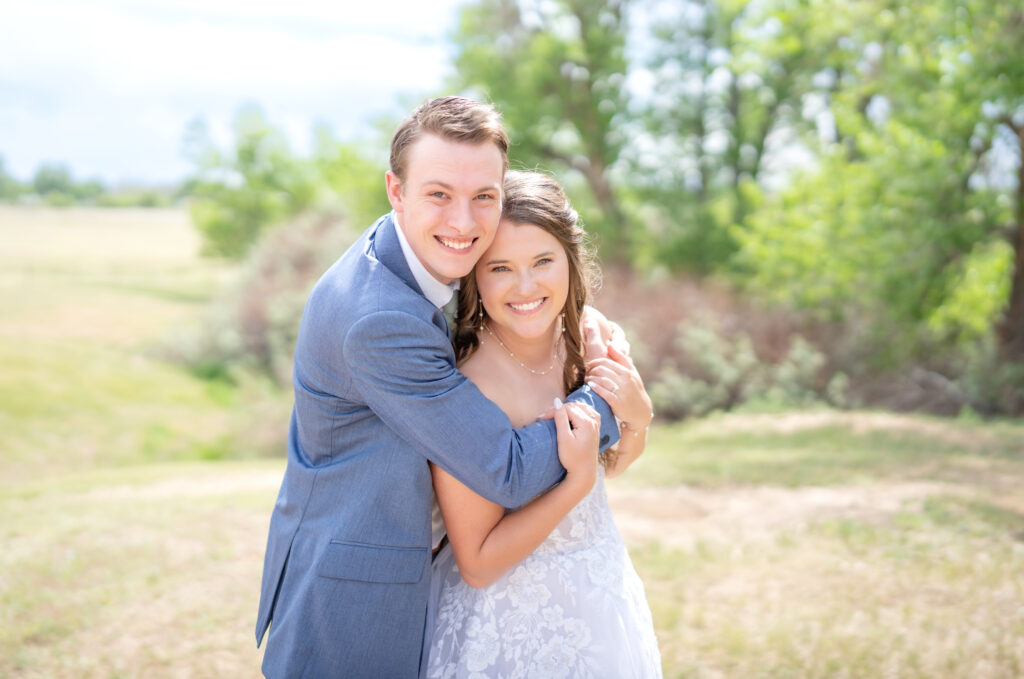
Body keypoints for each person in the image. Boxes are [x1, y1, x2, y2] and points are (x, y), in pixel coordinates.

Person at [254, 97, 640, 678]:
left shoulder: (425, 256)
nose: (463, 222)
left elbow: (520, 276)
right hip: (353, 603)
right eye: (439, 194)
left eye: (483, 196)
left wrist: (581, 325)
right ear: (396, 190)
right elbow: (504, 470)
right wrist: (608, 397)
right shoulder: (378, 320)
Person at [424, 171, 662, 677]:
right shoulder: (467, 389)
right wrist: (573, 483)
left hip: (600, 593)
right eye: (501, 268)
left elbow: (611, 467)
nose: (526, 286)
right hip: (507, 622)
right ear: (473, 277)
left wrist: (639, 419)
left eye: (543, 261)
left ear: (571, 262)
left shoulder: (593, 335)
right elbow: (479, 563)